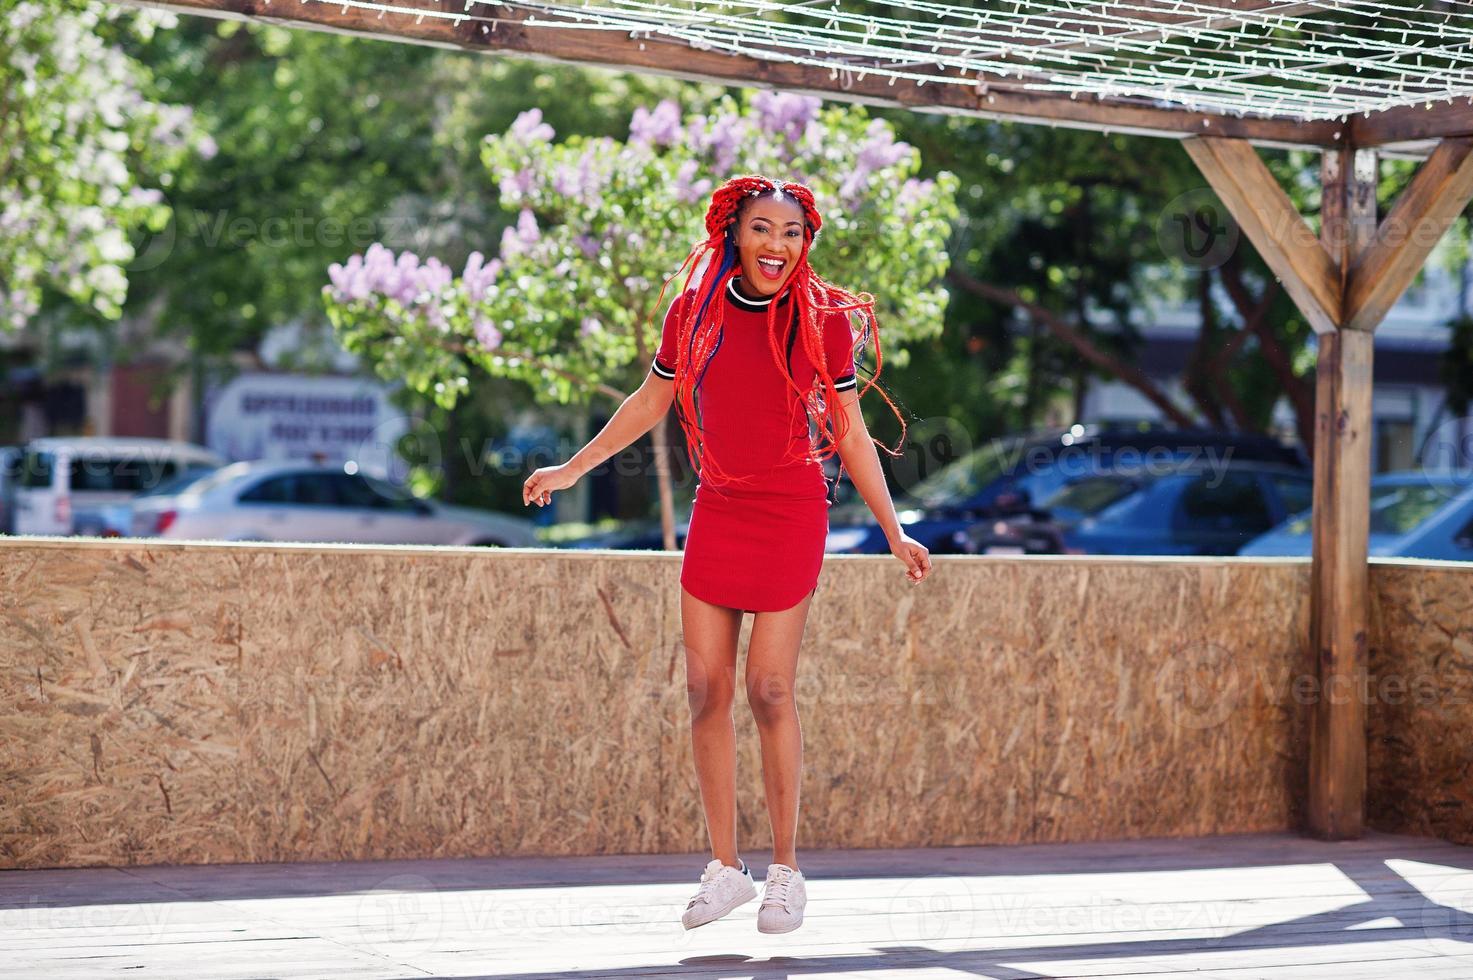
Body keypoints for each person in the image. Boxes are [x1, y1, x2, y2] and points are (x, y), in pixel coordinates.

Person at [522, 174, 931, 934]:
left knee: (769, 691)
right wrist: (570, 468)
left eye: (792, 233)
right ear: (734, 234)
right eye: (763, 230)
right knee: (704, 690)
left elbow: (847, 428)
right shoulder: (695, 311)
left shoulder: (820, 321)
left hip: (790, 510)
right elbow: (650, 402)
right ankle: (723, 869)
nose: (777, 245)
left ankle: (785, 873)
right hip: (719, 507)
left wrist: (890, 526)